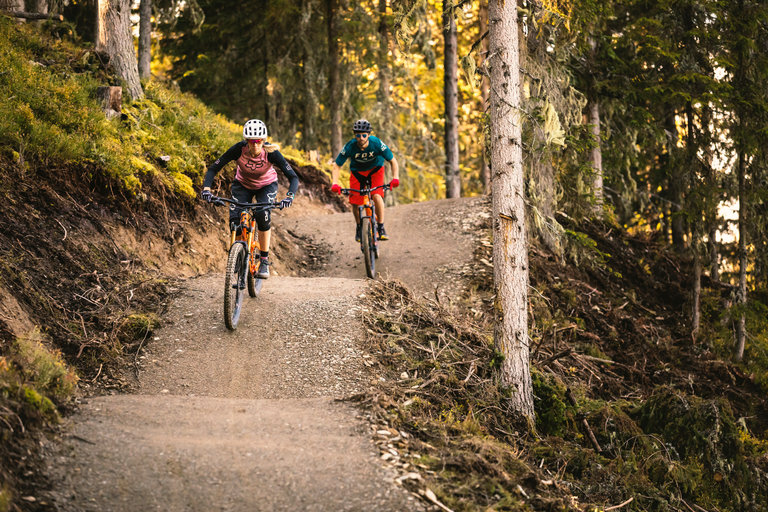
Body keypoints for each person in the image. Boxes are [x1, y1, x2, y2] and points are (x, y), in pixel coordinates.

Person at [201, 119, 299, 279]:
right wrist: (206, 189)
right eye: (251, 142)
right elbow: (213, 168)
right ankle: (237, 256)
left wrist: (289, 196)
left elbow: (293, 177)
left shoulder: (271, 153)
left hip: (266, 185)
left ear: (263, 141)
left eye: (258, 141)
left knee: (262, 214)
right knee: (235, 220)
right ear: (246, 141)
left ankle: (265, 260)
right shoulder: (238, 149)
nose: (255, 146)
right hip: (243, 184)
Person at [330, 119, 399, 241]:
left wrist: (395, 178)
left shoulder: (376, 143)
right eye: (358, 135)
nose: (361, 138)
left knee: (377, 196)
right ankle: (359, 227)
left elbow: (393, 161)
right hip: (358, 173)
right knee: (355, 202)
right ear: (354, 135)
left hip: (375, 170)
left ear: (369, 134)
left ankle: (381, 226)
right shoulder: (350, 146)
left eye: (364, 135)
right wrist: (334, 183)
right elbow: (337, 165)